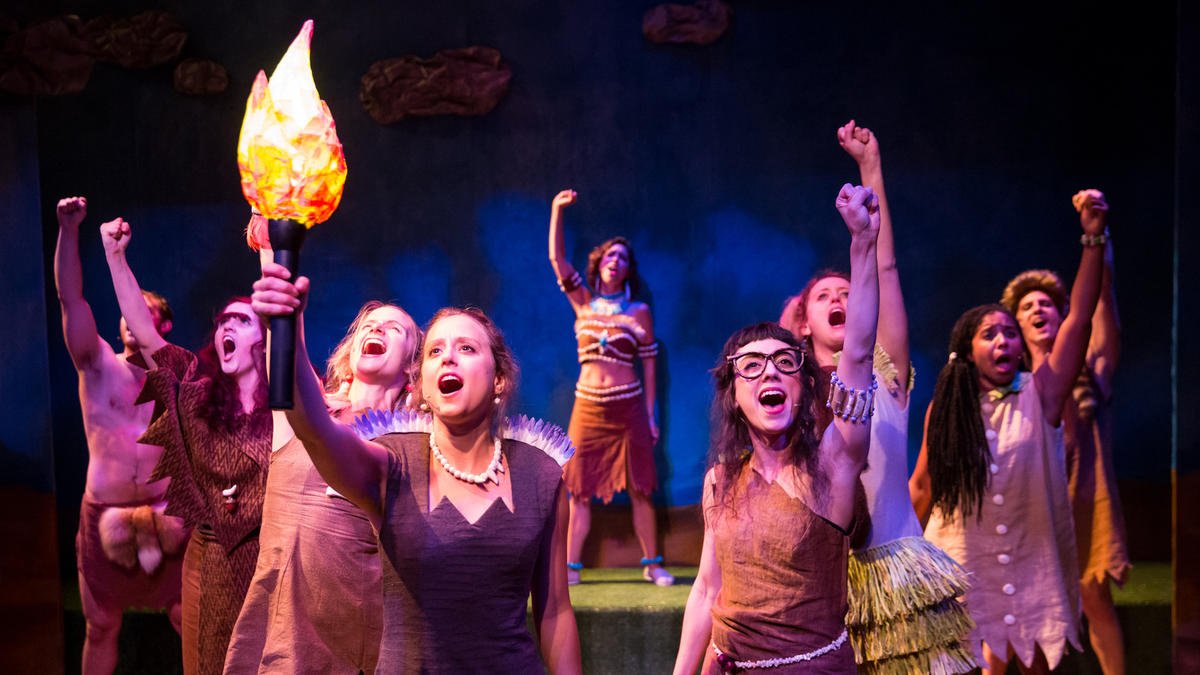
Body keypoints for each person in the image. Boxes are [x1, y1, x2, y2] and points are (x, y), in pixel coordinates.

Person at [251, 263, 582, 674]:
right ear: (422, 383)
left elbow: (555, 611)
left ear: (499, 379)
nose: (448, 359)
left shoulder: (540, 474)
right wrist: (288, 326)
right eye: (435, 351)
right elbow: (314, 429)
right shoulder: (391, 463)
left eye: (466, 349)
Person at [779, 122, 975, 674]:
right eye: (824, 296)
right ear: (805, 320)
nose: (838, 299)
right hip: (827, 582)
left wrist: (871, 169)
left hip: (898, 570)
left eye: (847, 291)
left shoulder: (886, 372)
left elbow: (883, 269)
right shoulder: (791, 394)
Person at [673, 183, 880, 674]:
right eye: (752, 366)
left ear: (804, 387)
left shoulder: (832, 465)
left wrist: (863, 244)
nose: (769, 373)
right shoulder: (720, 479)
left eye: (785, 362)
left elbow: (857, 353)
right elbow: (706, 589)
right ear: (734, 395)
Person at [909, 191, 1109, 674]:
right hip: (961, 561)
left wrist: (1093, 240)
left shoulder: (1041, 394)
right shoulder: (947, 409)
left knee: (1036, 663)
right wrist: (899, 564)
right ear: (967, 350)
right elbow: (922, 488)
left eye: (1009, 333)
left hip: (1030, 559)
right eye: (989, 334)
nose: (1003, 340)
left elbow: (1079, 321)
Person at [102, 217, 271, 675]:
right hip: (213, 557)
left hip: (273, 557)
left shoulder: (288, 402)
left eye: (242, 320)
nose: (227, 327)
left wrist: (267, 249)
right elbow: (145, 333)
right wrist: (115, 257)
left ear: (265, 339)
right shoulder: (195, 392)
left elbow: (282, 315)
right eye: (223, 322)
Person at [225, 300, 421, 673]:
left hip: (358, 629)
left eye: (395, 329)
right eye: (368, 325)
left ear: (412, 367)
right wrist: (282, 297)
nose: (377, 329)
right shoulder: (310, 412)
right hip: (284, 620)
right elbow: (286, 370)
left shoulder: (409, 444)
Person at [53, 196, 187, 674]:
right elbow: (71, 299)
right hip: (104, 511)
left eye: (144, 311)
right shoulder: (96, 365)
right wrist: (69, 230)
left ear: (162, 326)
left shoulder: (176, 374)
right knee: (101, 625)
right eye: (128, 312)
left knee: (188, 617)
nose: (133, 317)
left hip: (165, 515)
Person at [998, 189, 1127, 675]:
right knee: (1023, 613)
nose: (1038, 310)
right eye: (1027, 306)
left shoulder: (1089, 369)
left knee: (1094, 598)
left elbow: (1102, 314)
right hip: (1032, 507)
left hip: (1084, 497)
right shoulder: (1012, 386)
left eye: (1047, 304)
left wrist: (1100, 244)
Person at [547, 189, 672, 586]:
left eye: (622, 258)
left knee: (641, 487)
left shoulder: (639, 312)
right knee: (578, 489)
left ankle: (652, 564)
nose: (615, 261)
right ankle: (571, 567)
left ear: (628, 269)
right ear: (599, 263)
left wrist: (651, 415)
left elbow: (649, 364)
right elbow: (557, 260)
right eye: (609, 256)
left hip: (628, 407)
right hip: (588, 406)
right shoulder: (583, 303)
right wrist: (557, 211)